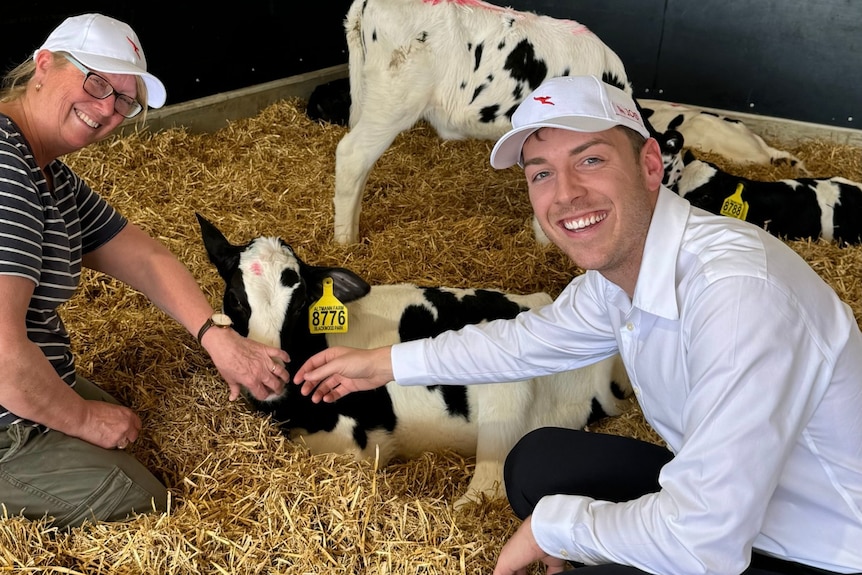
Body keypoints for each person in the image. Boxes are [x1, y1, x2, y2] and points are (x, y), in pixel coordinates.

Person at [293, 75, 862, 575]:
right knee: (536, 463)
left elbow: (705, 543)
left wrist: (556, 527)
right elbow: (526, 342)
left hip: (818, 547)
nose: (565, 195)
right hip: (741, 497)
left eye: (590, 160)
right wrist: (382, 363)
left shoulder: (737, 295)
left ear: (649, 166)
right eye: (541, 173)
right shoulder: (623, 269)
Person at [0, 13, 290, 528]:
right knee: (144, 504)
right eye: (96, 82)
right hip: (6, 409)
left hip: (23, 384)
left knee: (137, 432)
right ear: (43, 65)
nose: (107, 108)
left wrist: (216, 336)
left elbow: (145, 258)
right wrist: (82, 419)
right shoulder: (6, 171)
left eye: (124, 100)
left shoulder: (47, 173)